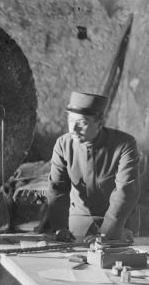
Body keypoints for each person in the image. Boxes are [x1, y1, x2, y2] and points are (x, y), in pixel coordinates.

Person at [47, 91, 141, 243]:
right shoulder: (63, 144)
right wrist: (60, 227)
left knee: (115, 255)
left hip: (118, 224)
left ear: (100, 123)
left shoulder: (125, 144)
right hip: (78, 223)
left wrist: (107, 233)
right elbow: (57, 189)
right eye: (71, 120)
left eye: (82, 123)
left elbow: (125, 192)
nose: (74, 129)